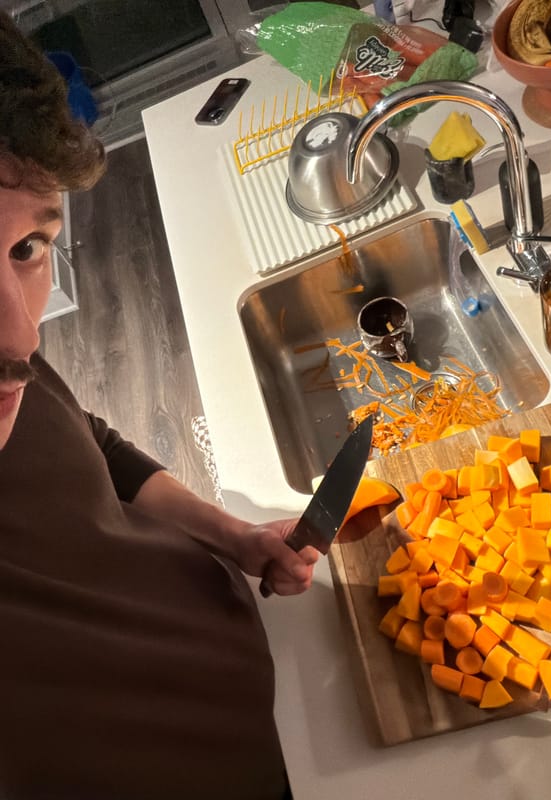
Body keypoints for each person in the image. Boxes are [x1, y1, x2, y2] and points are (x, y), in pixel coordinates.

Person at [0, 10, 318, 800]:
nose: (18, 335)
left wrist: (234, 538)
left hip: (265, 677)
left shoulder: (14, 367)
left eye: (26, 249)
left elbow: (92, 446)